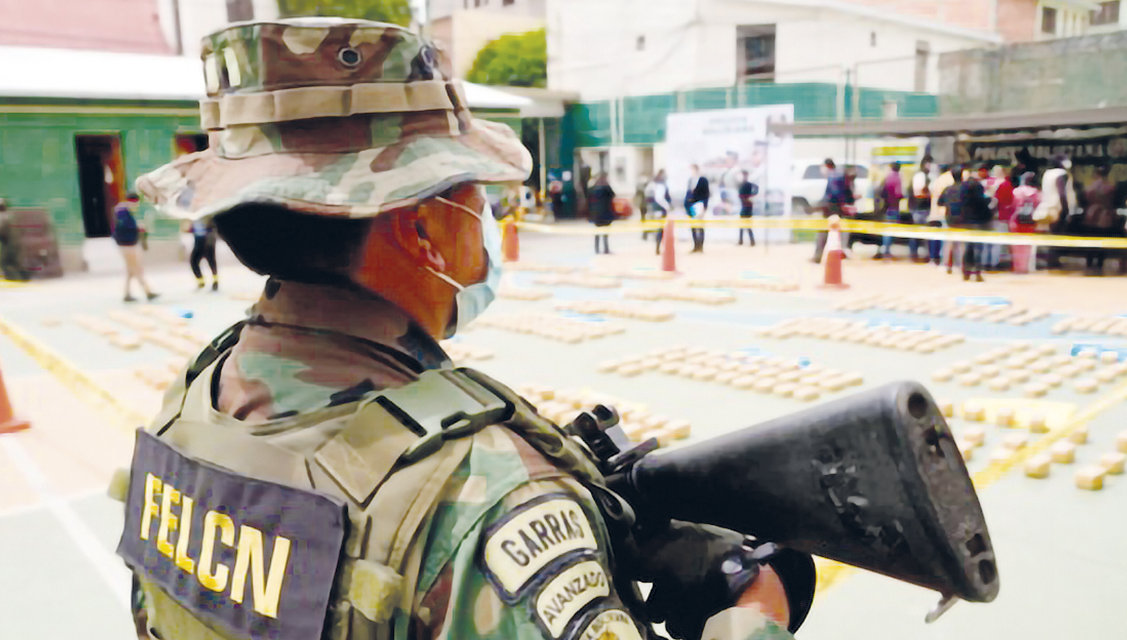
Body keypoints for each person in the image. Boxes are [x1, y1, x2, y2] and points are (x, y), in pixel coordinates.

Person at [124, 18, 800, 640]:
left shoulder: (193, 404)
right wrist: (759, 609)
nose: (489, 219)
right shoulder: (486, 491)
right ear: (422, 229)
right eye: (476, 195)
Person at [112, 191, 158, 302]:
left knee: (130, 270)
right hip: (126, 244)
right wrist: (138, 226)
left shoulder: (123, 211)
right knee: (136, 268)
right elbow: (124, 227)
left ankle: (127, 294)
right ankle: (148, 292)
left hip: (127, 243)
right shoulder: (123, 211)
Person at [1034, 154, 1078, 271]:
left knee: (1050, 235)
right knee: (1057, 235)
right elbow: (1062, 193)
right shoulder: (1061, 174)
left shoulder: (1047, 174)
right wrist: (1066, 209)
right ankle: (1053, 261)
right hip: (1058, 208)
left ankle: (1050, 260)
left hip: (1047, 206)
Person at [1079, 164, 1121, 275]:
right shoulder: (1111, 186)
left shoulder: (1090, 186)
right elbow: (1115, 201)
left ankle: (1089, 263)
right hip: (1105, 215)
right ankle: (1099, 264)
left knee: (1090, 240)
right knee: (1103, 241)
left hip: (1091, 214)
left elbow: (1084, 199)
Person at [812, 159, 853, 264]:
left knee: (824, 232)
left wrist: (824, 204)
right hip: (838, 208)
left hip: (831, 208)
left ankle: (818, 256)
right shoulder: (839, 175)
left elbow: (834, 193)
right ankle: (841, 253)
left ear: (827, 166)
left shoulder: (833, 176)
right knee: (840, 232)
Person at [982, 165, 1014, 271]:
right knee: (998, 242)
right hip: (1001, 216)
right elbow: (1009, 201)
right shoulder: (1005, 184)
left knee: (986, 241)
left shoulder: (986, 183)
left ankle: (985, 261)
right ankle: (995, 263)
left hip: (986, 216)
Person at [1009, 172, 1043, 273]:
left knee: (1016, 246)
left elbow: (1013, 205)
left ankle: (1017, 267)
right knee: (1028, 246)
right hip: (1029, 221)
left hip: (1016, 220)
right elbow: (1038, 205)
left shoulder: (1016, 191)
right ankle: (1027, 267)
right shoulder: (1036, 193)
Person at [873, 162, 904, 260]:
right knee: (890, 230)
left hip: (884, 207)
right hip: (893, 206)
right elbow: (898, 193)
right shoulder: (897, 178)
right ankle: (886, 251)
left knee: (885, 230)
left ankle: (883, 251)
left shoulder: (887, 177)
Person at [0, 198, 28, 281]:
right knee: (14, 263)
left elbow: (2, 232)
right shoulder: (7, 216)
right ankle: (23, 277)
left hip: (9, 244)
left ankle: (14, 279)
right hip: (12, 243)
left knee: (5, 263)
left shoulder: (4, 217)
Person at [907, 156, 934, 263]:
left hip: (922, 208)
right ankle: (913, 255)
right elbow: (918, 193)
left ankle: (917, 255)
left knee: (921, 233)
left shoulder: (925, 176)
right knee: (917, 234)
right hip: (919, 208)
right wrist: (930, 195)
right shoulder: (920, 176)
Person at [928, 163, 956, 267]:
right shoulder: (949, 179)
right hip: (948, 213)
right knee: (948, 241)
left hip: (937, 213)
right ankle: (947, 262)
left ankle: (941, 261)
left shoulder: (938, 179)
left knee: (941, 239)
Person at [588, 172, 616, 254]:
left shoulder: (593, 188)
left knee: (597, 232)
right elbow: (613, 195)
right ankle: (605, 248)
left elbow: (589, 199)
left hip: (596, 213)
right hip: (605, 213)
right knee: (605, 232)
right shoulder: (607, 188)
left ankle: (597, 248)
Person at [189, 218, 220, 290]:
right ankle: (201, 281)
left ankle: (215, 282)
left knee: (211, 261)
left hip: (208, 240)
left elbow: (213, 227)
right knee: (194, 261)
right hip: (199, 239)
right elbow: (191, 228)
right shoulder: (193, 216)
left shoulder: (207, 215)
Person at [685, 164, 710, 253]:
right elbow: (688, 194)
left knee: (700, 225)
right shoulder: (690, 180)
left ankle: (700, 246)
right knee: (693, 225)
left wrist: (705, 206)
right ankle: (695, 245)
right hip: (692, 205)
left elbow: (706, 194)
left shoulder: (703, 180)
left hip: (699, 204)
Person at [648, 169, 673, 254]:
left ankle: (658, 247)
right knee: (660, 229)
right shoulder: (660, 185)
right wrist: (667, 206)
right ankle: (659, 247)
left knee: (659, 228)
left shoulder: (653, 185)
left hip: (655, 209)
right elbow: (659, 198)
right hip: (660, 209)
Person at [738, 169, 759, 246]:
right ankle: (742, 240)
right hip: (744, 206)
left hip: (747, 207)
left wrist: (750, 198)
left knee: (747, 225)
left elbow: (756, 189)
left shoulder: (747, 184)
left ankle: (750, 241)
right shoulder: (743, 184)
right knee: (743, 224)